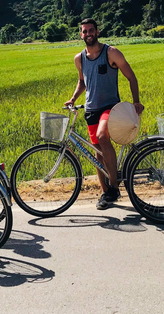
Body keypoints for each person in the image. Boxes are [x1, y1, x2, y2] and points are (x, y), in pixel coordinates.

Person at [65, 18, 144, 210]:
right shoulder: (79, 58)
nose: (88, 34)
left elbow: (131, 76)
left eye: (91, 30)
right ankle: (107, 193)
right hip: (91, 109)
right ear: (81, 34)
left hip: (110, 107)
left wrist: (136, 101)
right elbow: (82, 82)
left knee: (102, 136)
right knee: (97, 154)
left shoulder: (111, 52)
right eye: (84, 31)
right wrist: (73, 99)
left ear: (97, 32)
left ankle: (114, 187)